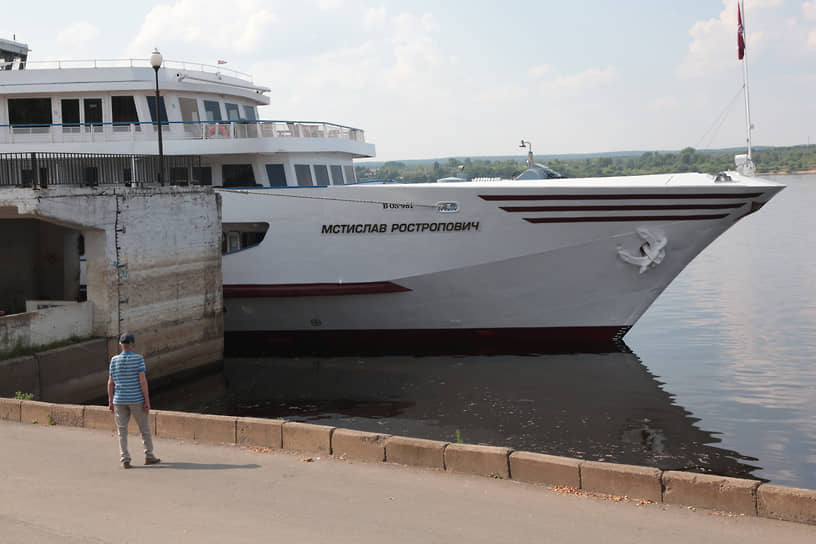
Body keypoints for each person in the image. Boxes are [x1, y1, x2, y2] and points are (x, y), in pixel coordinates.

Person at [107, 332, 160, 469]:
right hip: (136, 399)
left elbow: (110, 383)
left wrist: (110, 401)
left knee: (122, 430)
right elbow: (142, 381)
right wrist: (147, 400)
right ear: (133, 345)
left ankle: (125, 459)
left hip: (119, 399)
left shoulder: (114, 360)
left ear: (120, 345)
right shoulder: (138, 359)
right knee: (144, 429)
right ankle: (149, 456)